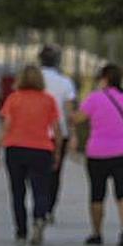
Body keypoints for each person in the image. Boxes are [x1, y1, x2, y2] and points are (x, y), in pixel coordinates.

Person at [0, 65, 60, 246]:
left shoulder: (13, 99)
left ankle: (21, 232)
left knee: (18, 192)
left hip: (15, 148)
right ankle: (39, 217)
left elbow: (5, 126)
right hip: (41, 149)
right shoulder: (48, 100)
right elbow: (56, 129)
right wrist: (57, 152)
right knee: (41, 189)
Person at [73, 64, 123, 246]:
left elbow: (79, 118)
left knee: (97, 193)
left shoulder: (94, 98)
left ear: (104, 79)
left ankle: (97, 233)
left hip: (98, 152)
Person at [39, 45, 78, 224]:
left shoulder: (34, 80)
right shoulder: (65, 82)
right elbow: (70, 112)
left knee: (36, 173)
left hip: (36, 132)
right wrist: (73, 134)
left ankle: (39, 204)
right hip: (58, 133)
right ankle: (49, 207)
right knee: (55, 172)